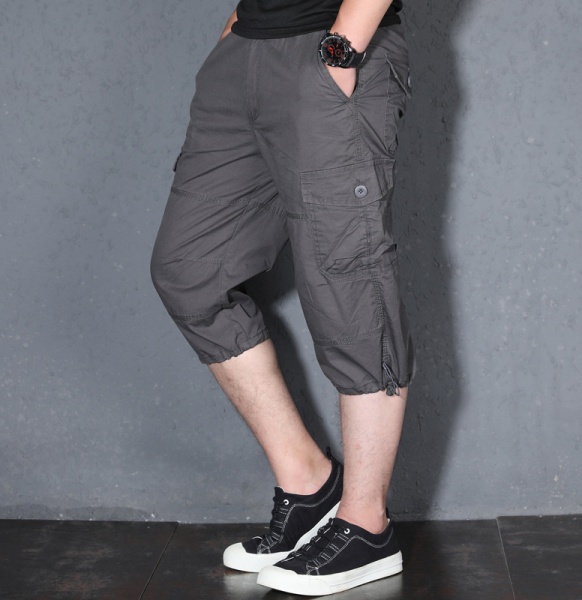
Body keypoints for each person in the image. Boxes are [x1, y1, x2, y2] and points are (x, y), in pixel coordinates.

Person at [151, 0, 415, 595]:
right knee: (190, 270)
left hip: (330, 43)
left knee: (348, 280)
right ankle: (308, 484)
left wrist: (341, 50)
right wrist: (235, 32)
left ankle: (366, 524)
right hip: (245, 52)